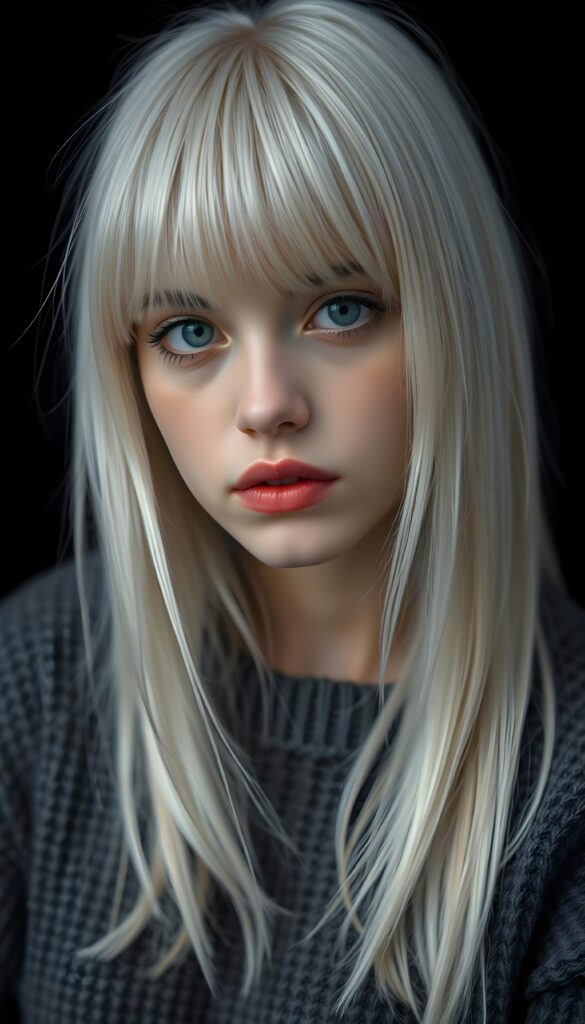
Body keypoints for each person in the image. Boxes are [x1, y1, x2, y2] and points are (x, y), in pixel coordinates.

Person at [1, 1, 584, 1022]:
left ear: (455, 317)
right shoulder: (38, 676)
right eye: (190, 331)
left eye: (340, 310)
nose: (268, 404)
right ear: (128, 369)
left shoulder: (566, 768)